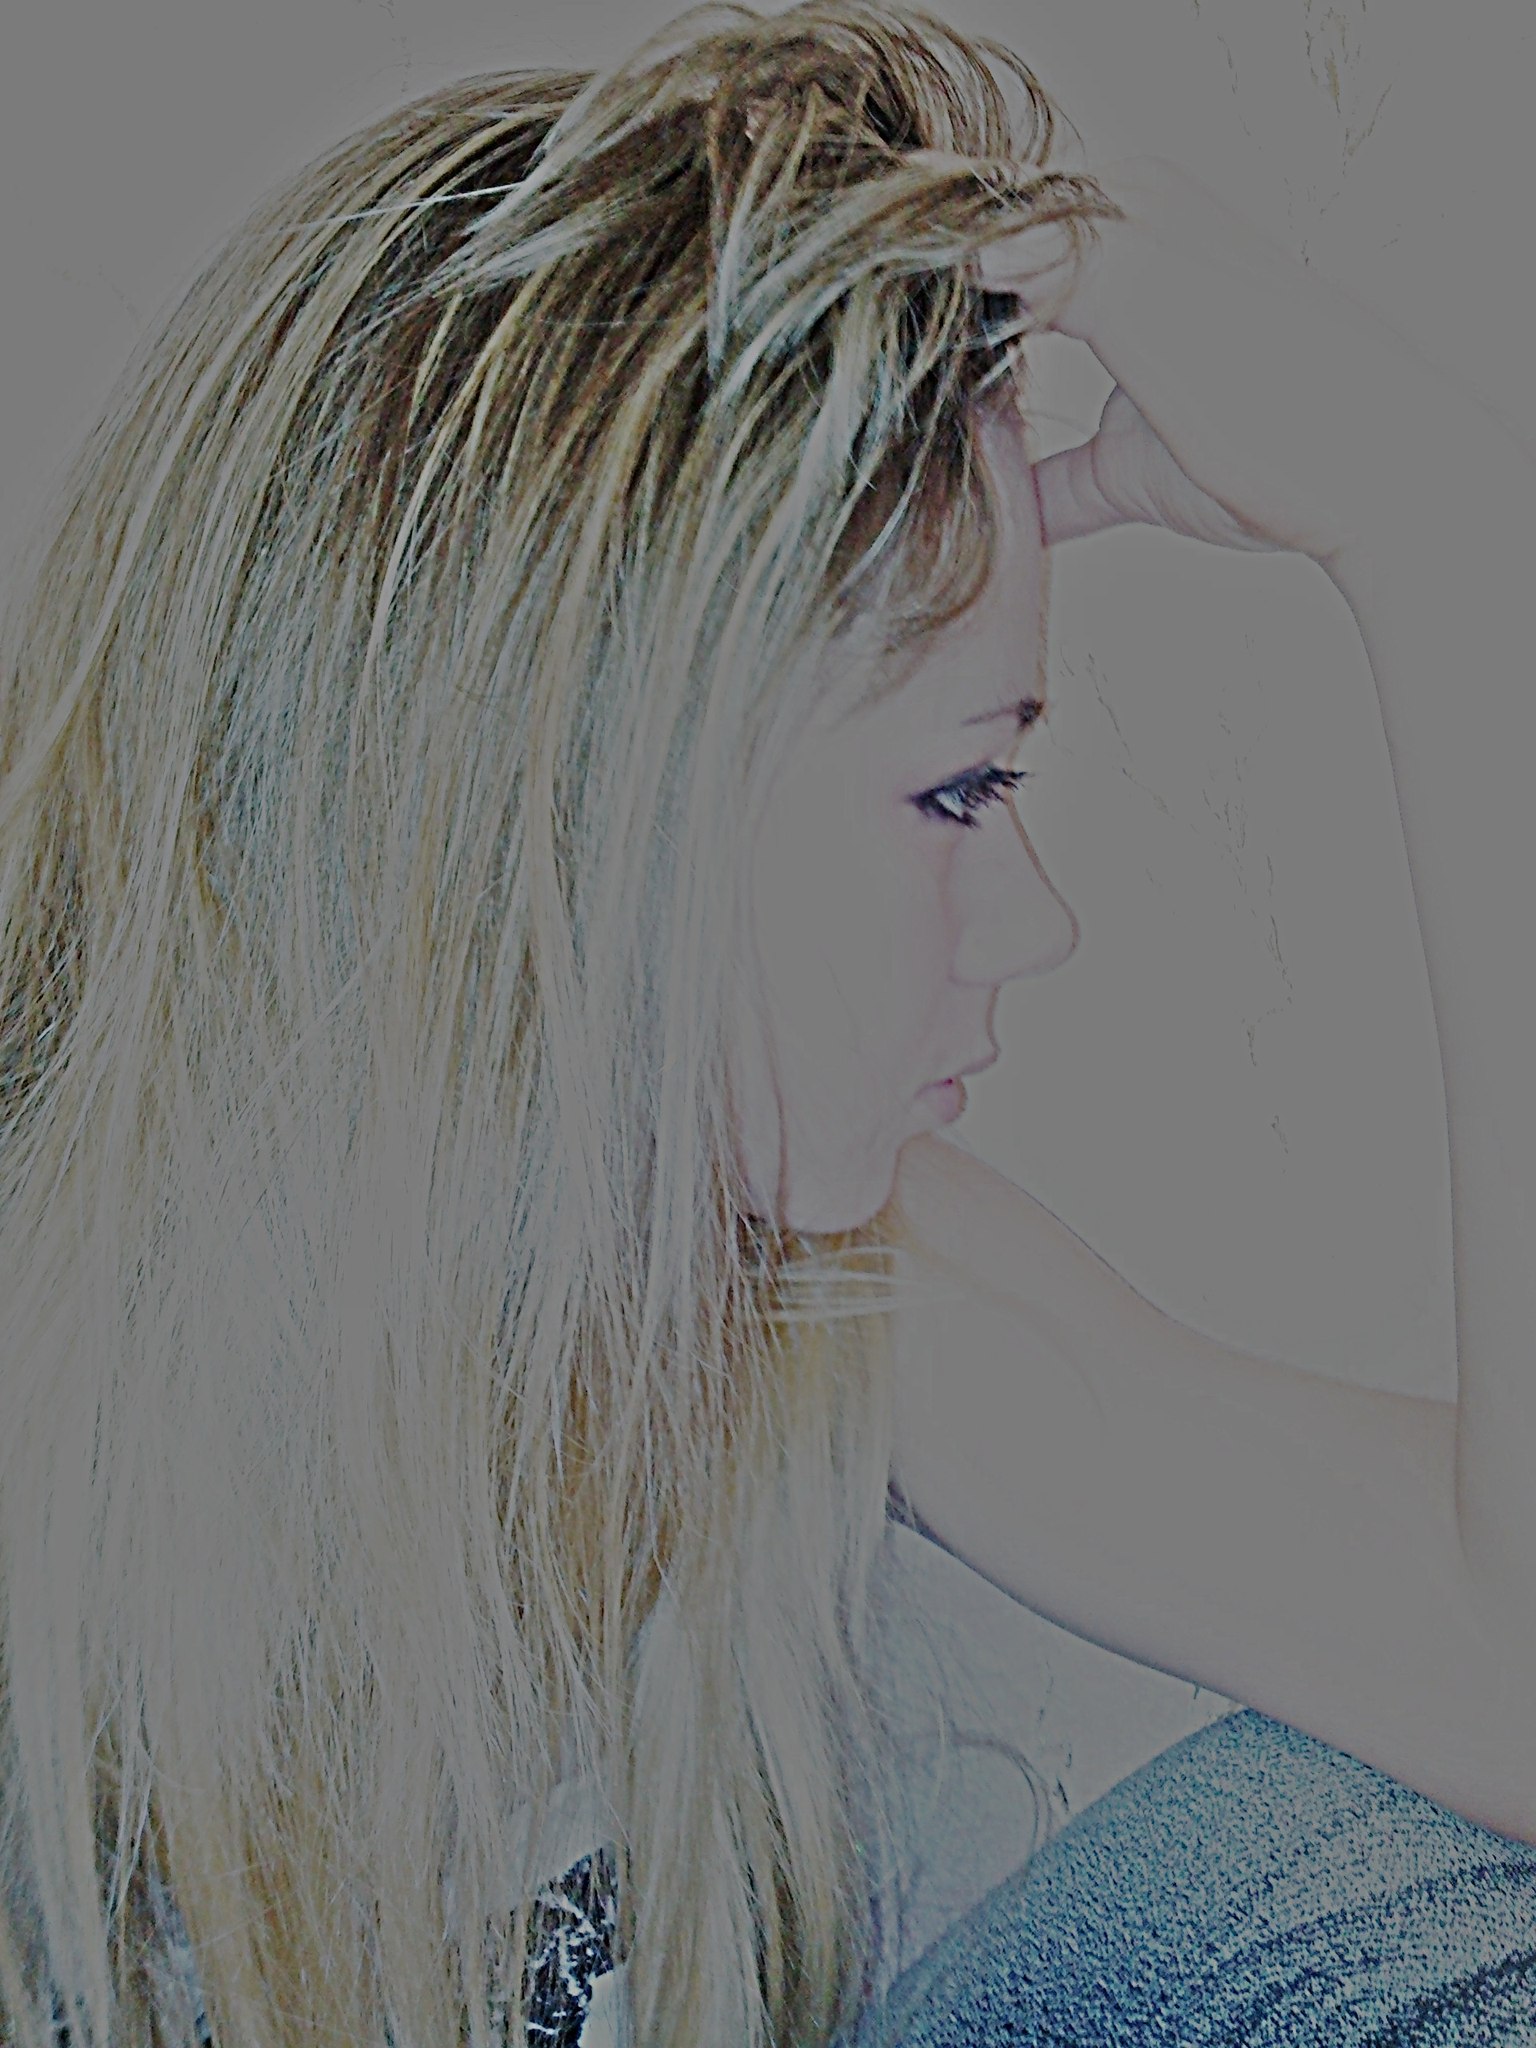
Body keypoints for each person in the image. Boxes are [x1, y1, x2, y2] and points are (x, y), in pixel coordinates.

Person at [0, 5, 1532, 2046]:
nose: (1039, 921)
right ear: (573, 805)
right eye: (960, 790)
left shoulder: (816, 1289)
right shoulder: (65, 1450)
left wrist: (1442, 533)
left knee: (1403, 1849)